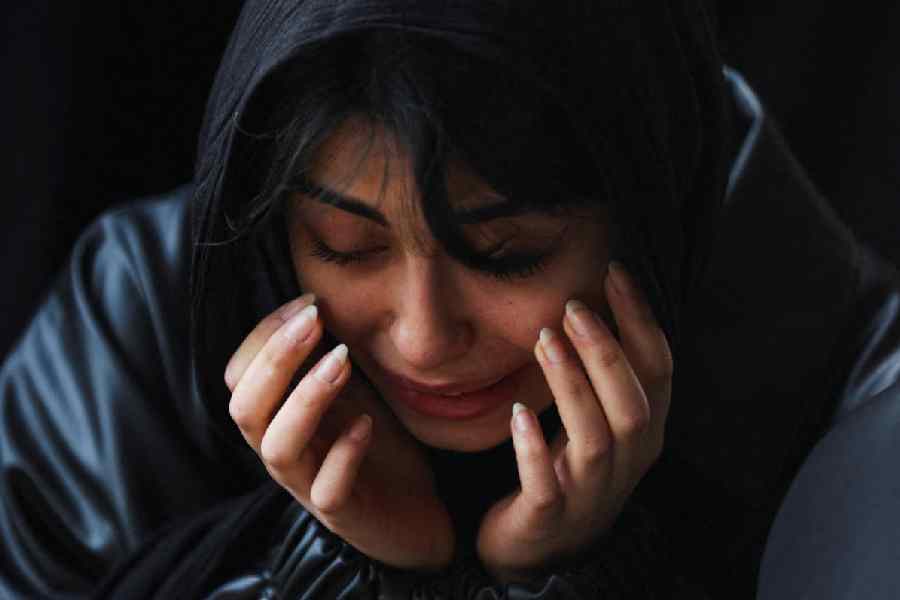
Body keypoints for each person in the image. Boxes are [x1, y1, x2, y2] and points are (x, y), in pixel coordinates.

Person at [1, 1, 898, 598]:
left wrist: (567, 576)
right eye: (345, 247)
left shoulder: (854, 404)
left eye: (507, 257)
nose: (424, 340)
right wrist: (340, 569)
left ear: (648, 212)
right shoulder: (131, 338)